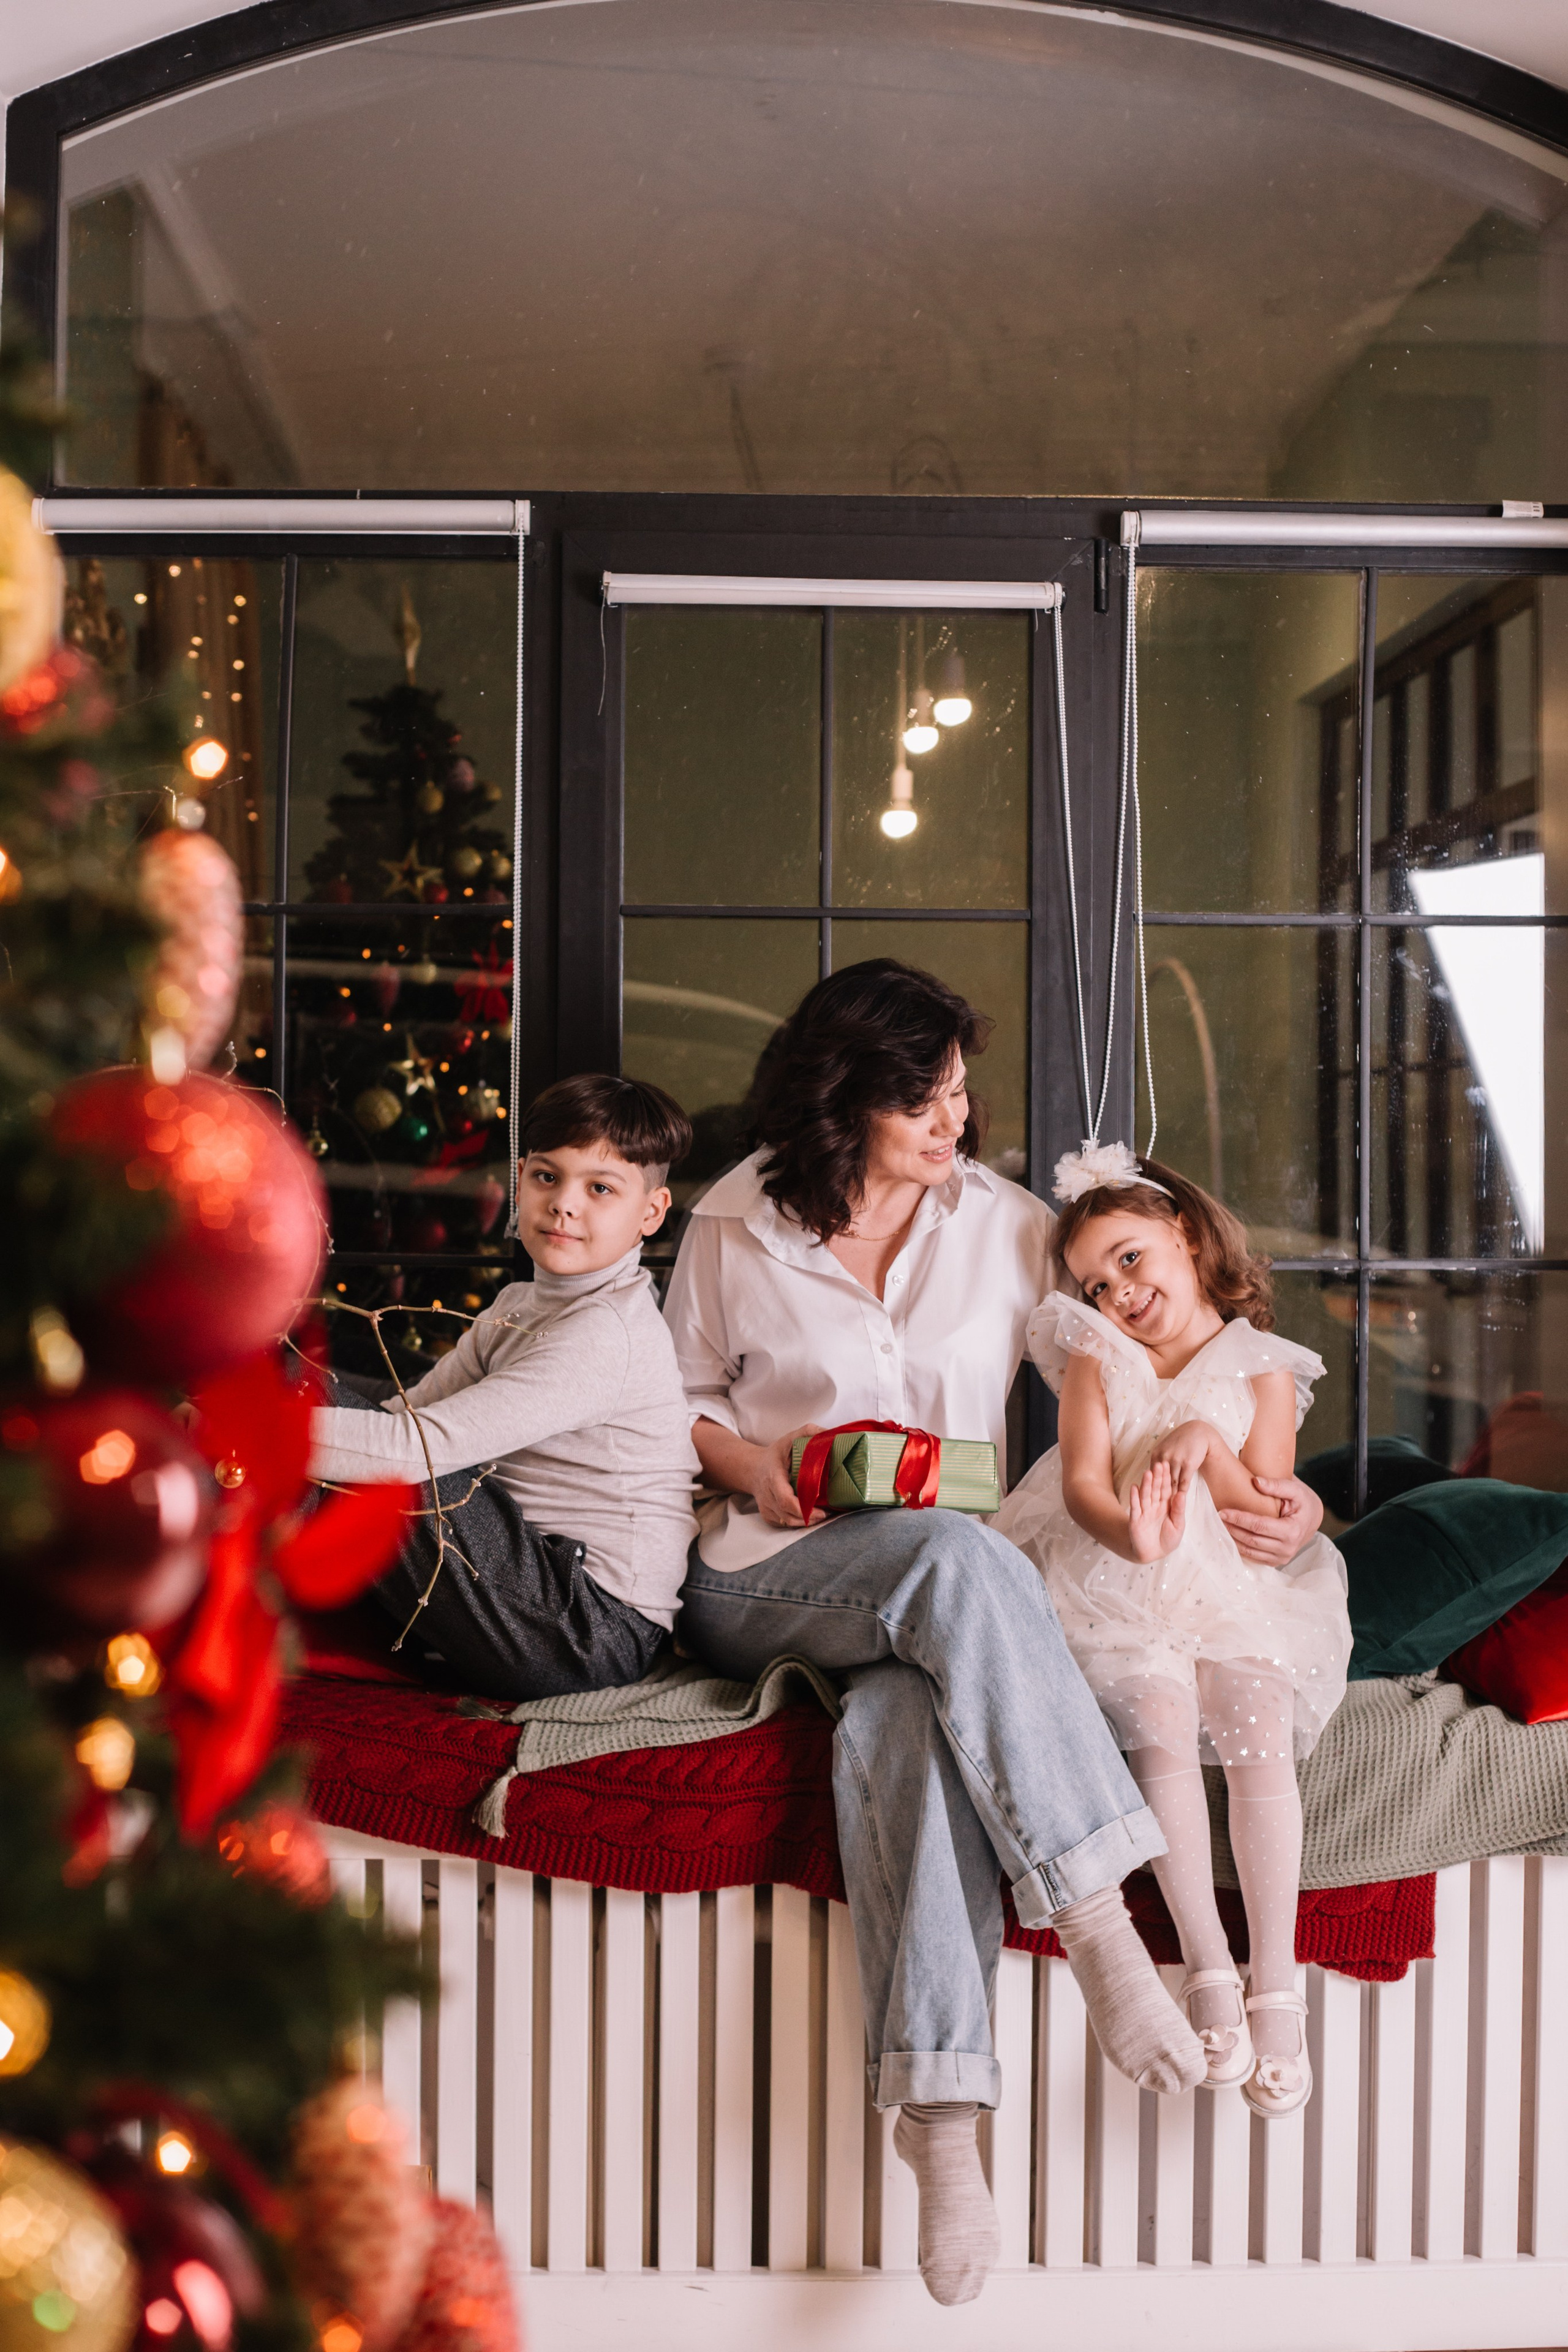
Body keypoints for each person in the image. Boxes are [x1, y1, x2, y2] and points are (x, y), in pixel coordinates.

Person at [670, 961, 1285, 2306]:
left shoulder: (1007, 1228)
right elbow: (673, 1403)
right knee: (954, 1564)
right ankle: (1101, 1934)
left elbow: (1138, 1359)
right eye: (923, 1100)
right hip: (766, 1567)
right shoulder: (729, 1223)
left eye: (958, 1093)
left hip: (941, 1584)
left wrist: (1249, 1470)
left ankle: (940, 2127)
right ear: (845, 1103)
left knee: (908, 1709)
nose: (955, 1121)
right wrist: (750, 1461)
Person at [994, 1140, 1352, 2120]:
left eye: (1130, 1259)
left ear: (1185, 1236)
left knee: (1253, 1727)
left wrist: (1203, 1447)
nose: (1117, 1291)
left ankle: (1276, 1982)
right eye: (1097, 1281)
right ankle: (1207, 1971)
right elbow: (1079, 1486)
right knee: (1155, 1715)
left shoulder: (1263, 1367)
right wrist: (1134, 1534)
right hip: (1111, 1575)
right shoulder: (1092, 1357)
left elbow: (1264, 1503)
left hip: (1234, 1585)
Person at [307, 1074, 699, 1700]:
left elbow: (413, 1449)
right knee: (305, 1386)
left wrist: (247, 1431)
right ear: (520, 1179)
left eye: (600, 1189)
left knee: (349, 1433)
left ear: (651, 1213)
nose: (565, 1203)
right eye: (547, 1177)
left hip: (586, 1629)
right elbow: (400, 1413)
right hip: (533, 1585)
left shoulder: (605, 1334)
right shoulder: (519, 1304)